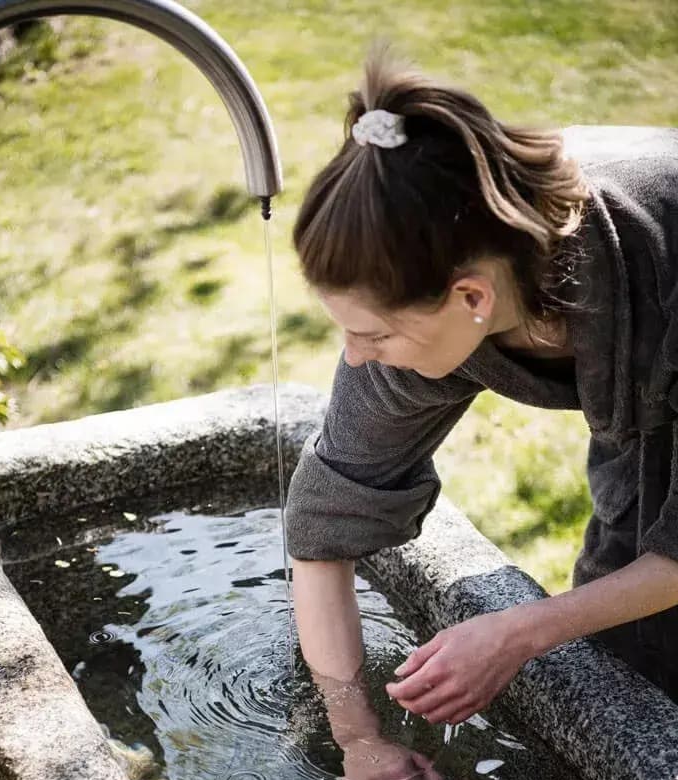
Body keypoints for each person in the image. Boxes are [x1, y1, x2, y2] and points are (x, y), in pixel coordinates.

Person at [284, 47, 678, 730]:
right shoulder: (446, 294)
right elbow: (324, 531)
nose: (355, 357)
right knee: (632, 674)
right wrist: (359, 742)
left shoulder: (657, 270)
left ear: (472, 296)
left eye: (374, 335)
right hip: (647, 415)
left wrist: (518, 631)